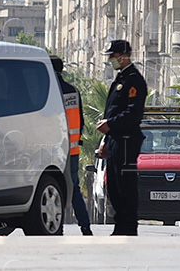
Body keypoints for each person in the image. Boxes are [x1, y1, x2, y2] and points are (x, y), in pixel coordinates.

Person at [96, 40, 147, 236]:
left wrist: (112, 124)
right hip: (115, 140)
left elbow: (133, 113)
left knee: (125, 184)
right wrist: (106, 141)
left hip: (127, 139)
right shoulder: (120, 79)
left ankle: (129, 226)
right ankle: (120, 225)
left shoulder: (134, 80)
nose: (111, 60)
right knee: (115, 185)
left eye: (113, 56)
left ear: (123, 55)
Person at [50, 55, 92, 236]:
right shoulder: (73, 91)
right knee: (74, 189)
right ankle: (85, 226)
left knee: (53, 187)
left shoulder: (50, 91)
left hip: (53, 150)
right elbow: (80, 121)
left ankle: (56, 226)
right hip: (73, 149)